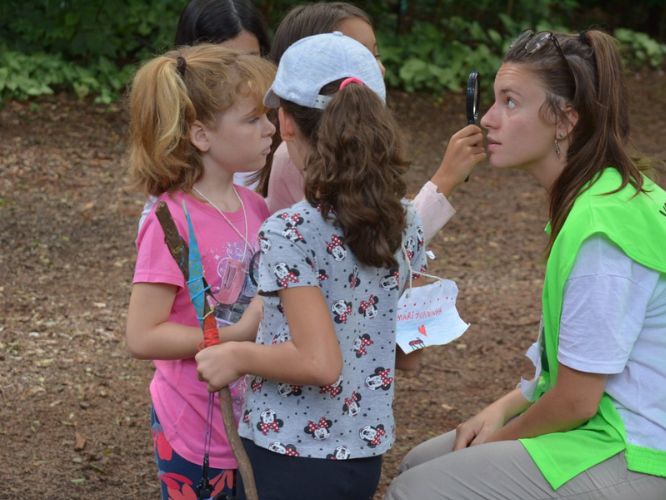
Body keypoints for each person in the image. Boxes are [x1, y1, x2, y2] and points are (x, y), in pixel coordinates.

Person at [386, 29, 666, 499]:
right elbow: (567, 368)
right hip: (621, 430)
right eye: (492, 100)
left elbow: (575, 401)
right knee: (419, 463)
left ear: (565, 120)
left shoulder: (602, 232)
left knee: (418, 490)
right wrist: (503, 407)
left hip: (653, 458)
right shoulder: (606, 196)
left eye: (510, 102)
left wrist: (495, 444)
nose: (488, 119)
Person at [195, 32, 427, 500]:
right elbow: (411, 350)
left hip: (291, 454)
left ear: (285, 122)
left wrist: (234, 355)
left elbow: (318, 362)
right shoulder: (407, 220)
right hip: (363, 454)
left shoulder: (289, 232)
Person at [125, 44, 276, 499]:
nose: (270, 128)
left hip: (250, 418)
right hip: (192, 426)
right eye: (252, 119)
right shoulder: (170, 223)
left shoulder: (257, 207)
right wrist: (236, 337)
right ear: (201, 135)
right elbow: (142, 336)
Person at [261, 2, 485, 240]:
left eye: (374, 55)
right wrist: (445, 179)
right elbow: (377, 245)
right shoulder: (293, 159)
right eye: (358, 55)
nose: (379, 68)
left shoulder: (363, 142)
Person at [138, 0, 271, 232]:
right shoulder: (171, 222)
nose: (244, 74)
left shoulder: (256, 202)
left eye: (251, 59)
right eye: (227, 62)